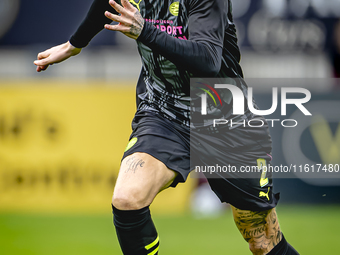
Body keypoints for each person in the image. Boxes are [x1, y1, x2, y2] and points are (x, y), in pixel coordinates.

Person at [34, 0, 299, 254]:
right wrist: (74, 44)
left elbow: (207, 60)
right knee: (127, 199)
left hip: (224, 117)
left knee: (263, 241)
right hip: (163, 111)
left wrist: (144, 30)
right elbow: (107, 2)